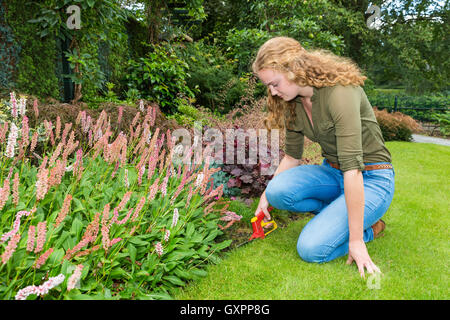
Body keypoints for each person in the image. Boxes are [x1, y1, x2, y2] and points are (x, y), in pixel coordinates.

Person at [252, 36, 395, 278]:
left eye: (274, 83)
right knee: (277, 191)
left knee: (311, 249)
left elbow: (353, 170)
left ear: (293, 69)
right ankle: (339, 212)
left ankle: (370, 228)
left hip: (371, 177)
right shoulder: (292, 103)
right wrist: (265, 197)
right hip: (332, 172)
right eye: (268, 86)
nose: (272, 92)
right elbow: (292, 158)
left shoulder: (340, 93)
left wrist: (356, 241)